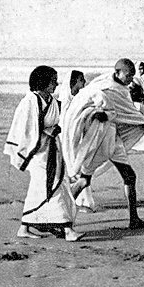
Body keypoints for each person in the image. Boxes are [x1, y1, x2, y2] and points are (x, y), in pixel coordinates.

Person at [60, 58, 144, 229]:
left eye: (132, 76)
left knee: (128, 176)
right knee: (84, 180)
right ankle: (60, 216)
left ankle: (134, 220)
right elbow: (140, 121)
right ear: (117, 72)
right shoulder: (107, 87)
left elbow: (129, 116)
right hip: (100, 139)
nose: (131, 80)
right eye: (128, 76)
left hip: (112, 138)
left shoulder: (119, 88)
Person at [3, 65, 85, 242]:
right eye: (52, 81)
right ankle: (67, 230)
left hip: (52, 150)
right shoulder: (30, 101)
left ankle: (24, 227)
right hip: (38, 152)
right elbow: (26, 128)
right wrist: (47, 132)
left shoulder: (52, 101)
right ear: (43, 82)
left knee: (43, 188)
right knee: (54, 186)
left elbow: (68, 108)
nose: (55, 84)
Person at [56, 69, 97, 212]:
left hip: (75, 137)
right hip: (64, 138)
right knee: (71, 167)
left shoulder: (79, 99)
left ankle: (80, 200)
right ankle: (77, 201)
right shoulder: (64, 101)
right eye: (81, 80)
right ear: (74, 82)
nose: (84, 82)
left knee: (78, 166)